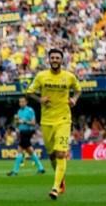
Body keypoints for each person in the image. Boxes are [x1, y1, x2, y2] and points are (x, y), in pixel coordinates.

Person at [26, 48, 81, 200]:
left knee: (61, 153)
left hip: (63, 119)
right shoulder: (41, 76)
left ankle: (55, 188)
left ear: (61, 60)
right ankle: (60, 179)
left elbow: (78, 90)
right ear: (49, 60)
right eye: (53, 58)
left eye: (58, 58)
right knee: (51, 156)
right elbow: (29, 92)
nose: (55, 60)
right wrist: (40, 99)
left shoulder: (69, 76)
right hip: (46, 121)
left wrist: (74, 99)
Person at [7, 97, 45, 176]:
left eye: (22, 102)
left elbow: (33, 123)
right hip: (22, 132)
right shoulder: (19, 111)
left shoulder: (30, 110)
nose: (21, 103)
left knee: (20, 149)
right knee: (29, 150)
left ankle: (15, 171)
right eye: (20, 102)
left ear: (26, 102)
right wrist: (17, 122)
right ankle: (41, 168)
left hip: (28, 131)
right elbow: (18, 124)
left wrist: (24, 121)